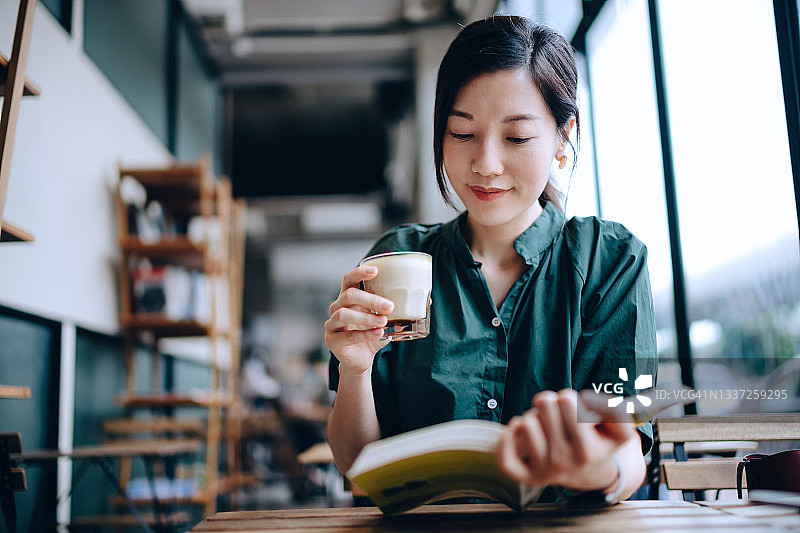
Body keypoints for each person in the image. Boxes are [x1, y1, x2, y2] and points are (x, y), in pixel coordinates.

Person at [324, 15, 657, 504]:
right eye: (462, 134)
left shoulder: (610, 261)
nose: (486, 163)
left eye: (517, 138)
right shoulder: (399, 262)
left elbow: (630, 448)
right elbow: (358, 467)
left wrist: (599, 468)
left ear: (564, 138)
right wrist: (355, 371)